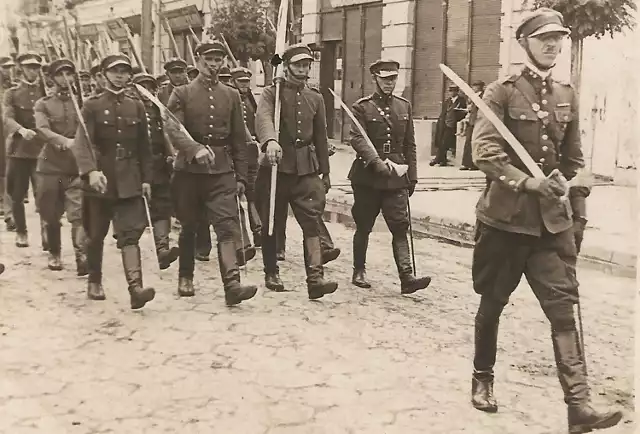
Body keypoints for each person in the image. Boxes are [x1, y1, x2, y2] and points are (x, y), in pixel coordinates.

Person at [469, 8, 622, 433]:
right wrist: (529, 185)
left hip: (551, 228)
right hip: (505, 221)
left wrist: (578, 218)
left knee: (563, 312)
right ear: (525, 43)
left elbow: (574, 163)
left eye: (558, 38)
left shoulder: (567, 95)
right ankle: (483, 378)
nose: (552, 45)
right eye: (544, 38)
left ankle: (579, 406)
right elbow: (484, 153)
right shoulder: (501, 92)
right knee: (493, 302)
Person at [165, 40, 257, 306]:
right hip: (189, 172)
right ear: (197, 60)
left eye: (218, 60)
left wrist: (241, 176)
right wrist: (194, 149)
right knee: (190, 226)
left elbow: (240, 139)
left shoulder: (231, 95)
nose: (214, 65)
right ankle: (185, 277)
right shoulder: (181, 93)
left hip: (221, 172)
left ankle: (232, 285)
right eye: (209, 60)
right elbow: (173, 128)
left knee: (227, 227)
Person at [71, 53, 155, 309]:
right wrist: (91, 172)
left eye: (124, 71)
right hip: (101, 180)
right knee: (96, 234)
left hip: (129, 178)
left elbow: (144, 146)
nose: (120, 75)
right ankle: (94, 281)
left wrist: (146, 179)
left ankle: (135, 289)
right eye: (115, 71)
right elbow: (82, 143)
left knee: (130, 235)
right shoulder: (92, 105)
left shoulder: (136, 105)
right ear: (104, 74)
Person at [255, 43, 337, 299]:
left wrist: (325, 171)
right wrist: (270, 141)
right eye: (298, 65)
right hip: (276, 168)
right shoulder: (272, 93)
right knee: (270, 222)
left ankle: (315, 279)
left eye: (306, 65)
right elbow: (263, 118)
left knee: (311, 222)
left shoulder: (315, 97)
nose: (303, 70)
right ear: (287, 67)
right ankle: (271, 271)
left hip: (306, 169)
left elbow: (321, 137)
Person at [347, 59, 431, 294]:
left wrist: (412, 176)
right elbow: (357, 139)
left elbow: (410, 144)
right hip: (368, 177)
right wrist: (375, 162)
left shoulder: (404, 106)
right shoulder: (362, 107)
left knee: (400, 225)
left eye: (393, 78)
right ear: (375, 78)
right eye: (384, 79)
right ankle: (359, 269)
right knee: (364, 224)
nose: (389, 83)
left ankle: (407, 276)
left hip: (396, 177)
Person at [33, 58, 88, 274]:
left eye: (69, 73)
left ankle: (81, 254)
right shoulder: (43, 104)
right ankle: (54, 252)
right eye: (60, 74)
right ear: (52, 78)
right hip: (50, 167)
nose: (65, 78)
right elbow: (42, 130)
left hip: (75, 167)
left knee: (78, 213)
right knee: (51, 214)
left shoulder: (83, 103)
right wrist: (66, 142)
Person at [132, 72, 180, 270]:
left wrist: (171, 156)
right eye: (141, 87)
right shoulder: (130, 110)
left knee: (162, 206)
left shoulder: (160, 111)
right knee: (136, 208)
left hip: (159, 166)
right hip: (135, 167)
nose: (146, 92)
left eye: (150, 87)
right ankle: (129, 246)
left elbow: (168, 136)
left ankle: (162, 249)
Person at [3, 52, 47, 249]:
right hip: (19, 150)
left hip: (42, 150)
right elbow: (8, 118)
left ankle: (48, 233)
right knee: (17, 194)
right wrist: (20, 130)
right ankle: (21, 231)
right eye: (29, 67)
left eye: (36, 67)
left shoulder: (45, 91)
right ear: (21, 69)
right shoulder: (12, 93)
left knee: (45, 194)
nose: (33, 71)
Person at [431, 84, 467, 167]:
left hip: (453, 125)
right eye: (450, 91)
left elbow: (463, 112)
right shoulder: (447, 101)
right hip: (444, 124)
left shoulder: (461, 101)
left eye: (453, 91)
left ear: (457, 91)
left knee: (445, 142)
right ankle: (442, 160)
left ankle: (438, 159)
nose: (451, 93)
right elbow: (444, 113)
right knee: (442, 142)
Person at [0, 56, 16, 230]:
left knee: (7, 169)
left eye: (10, 67)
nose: (8, 70)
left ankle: (8, 213)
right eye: (5, 67)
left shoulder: (12, 86)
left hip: (8, 129)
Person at [460, 80, 484, 171]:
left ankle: (474, 164)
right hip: (471, 122)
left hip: (478, 122)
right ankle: (466, 163)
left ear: (480, 87)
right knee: (468, 142)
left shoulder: (483, 96)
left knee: (475, 143)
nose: (473, 88)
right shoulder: (474, 97)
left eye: (475, 86)